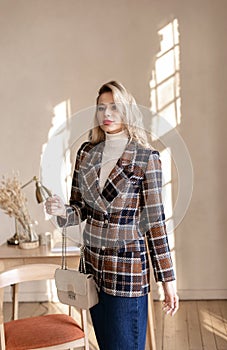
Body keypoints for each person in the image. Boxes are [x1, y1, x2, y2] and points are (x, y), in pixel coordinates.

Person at [45, 81, 179, 350]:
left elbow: (155, 223)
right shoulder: (86, 153)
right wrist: (62, 211)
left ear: (127, 111)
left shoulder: (145, 158)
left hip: (127, 272)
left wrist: (168, 280)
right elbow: (79, 208)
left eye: (114, 107)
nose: (107, 114)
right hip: (93, 268)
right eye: (101, 108)